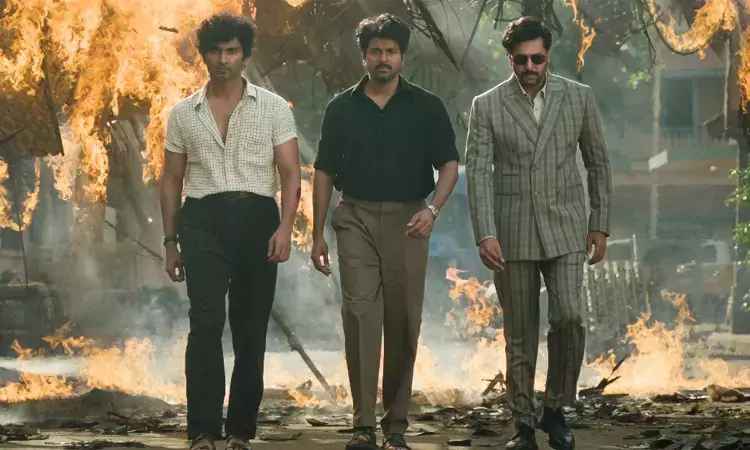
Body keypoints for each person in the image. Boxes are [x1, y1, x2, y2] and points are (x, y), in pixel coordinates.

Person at [310, 13, 459, 450]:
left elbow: (449, 164)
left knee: (403, 319)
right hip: (354, 217)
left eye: (391, 51)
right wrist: (316, 234)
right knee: (360, 315)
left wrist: (433, 209)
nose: (383, 58)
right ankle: (363, 425)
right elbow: (323, 172)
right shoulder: (342, 108)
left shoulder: (426, 106)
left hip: (409, 221)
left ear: (402, 57)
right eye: (375, 51)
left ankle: (395, 427)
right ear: (364, 56)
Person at [465, 16, 612, 450]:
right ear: (509, 59)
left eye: (537, 59)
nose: (529, 67)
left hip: (567, 227)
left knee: (569, 317)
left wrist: (599, 223)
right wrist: (485, 232)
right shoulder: (487, 106)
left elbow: (598, 162)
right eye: (521, 60)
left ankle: (556, 408)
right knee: (520, 334)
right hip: (512, 232)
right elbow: (478, 173)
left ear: (549, 55)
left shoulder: (579, 97)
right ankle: (523, 425)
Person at [159, 13, 300, 450]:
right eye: (216, 51)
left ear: (245, 55)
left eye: (232, 51)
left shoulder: (273, 108)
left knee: (250, 329)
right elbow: (171, 179)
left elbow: (290, 173)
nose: (223, 60)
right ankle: (202, 430)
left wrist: (285, 227)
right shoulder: (183, 113)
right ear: (203, 55)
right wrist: (170, 241)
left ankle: (240, 430)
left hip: (257, 219)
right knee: (205, 323)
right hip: (202, 221)